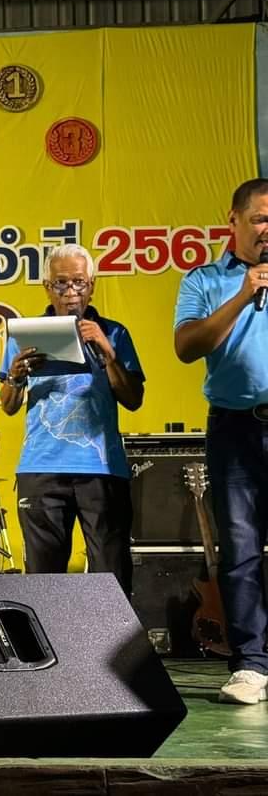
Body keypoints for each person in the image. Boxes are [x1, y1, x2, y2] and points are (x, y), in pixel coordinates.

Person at [0, 242, 144, 596]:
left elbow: (133, 399)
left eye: (79, 282)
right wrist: (16, 375)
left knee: (112, 579)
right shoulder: (26, 335)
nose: (71, 292)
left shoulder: (115, 333)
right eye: (61, 283)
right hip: (41, 467)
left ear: (92, 285)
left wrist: (109, 356)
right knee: (44, 584)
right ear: (47, 287)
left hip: (102, 468)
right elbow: (8, 405)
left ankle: (114, 636)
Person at [174, 178, 268, 705]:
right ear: (233, 220)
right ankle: (251, 664)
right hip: (235, 427)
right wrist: (242, 295)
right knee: (240, 549)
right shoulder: (205, 280)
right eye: (260, 219)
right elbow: (187, 346)